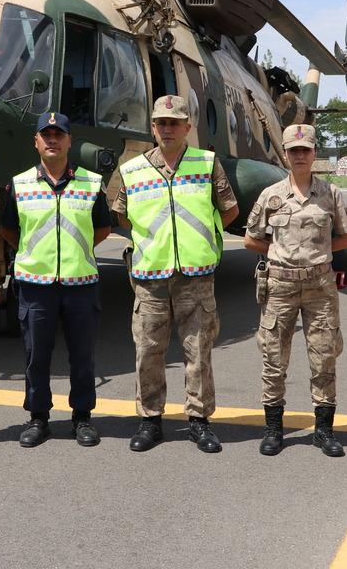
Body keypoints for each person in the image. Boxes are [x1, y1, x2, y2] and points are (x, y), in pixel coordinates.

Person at [112, 95, 239, 453]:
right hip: (150, 277)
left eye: (174, 122)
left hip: (196, 275)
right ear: (152, 127)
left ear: (187, 127)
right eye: (160, 123)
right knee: (148, 351)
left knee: (198, 350)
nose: (167, 128)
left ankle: (199, 421)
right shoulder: (131, 170)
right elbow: (121, 215)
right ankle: (150, 420)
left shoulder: (207, 164)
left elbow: (228, 210)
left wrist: (202, 239)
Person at [0, 111, 113, 448]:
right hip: (36, 285)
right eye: (45, 134)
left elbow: (103, 228)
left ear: (69, 141)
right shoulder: (19, 185)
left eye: (58, 134)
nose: (52, 139)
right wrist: (37, 254)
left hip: (80, 284)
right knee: (36, 355)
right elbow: (9, 230)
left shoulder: (91, 184)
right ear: (36, 141)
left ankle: (82, 417)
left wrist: (75, 253)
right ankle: (38, 418)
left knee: (82, 355)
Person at [244, 124, 347, 457]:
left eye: (305, 150)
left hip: (320, 285)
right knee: (274, 359)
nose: (300, 156)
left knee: (324, 357)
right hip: (280, 285)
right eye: (293, 151)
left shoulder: (330, 193)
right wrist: (282, 255)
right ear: (285, 154)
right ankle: (274, 430)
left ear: (314, 153)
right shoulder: (271, 195)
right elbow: (252, 238)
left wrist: (317, 254)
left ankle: (323, 431)